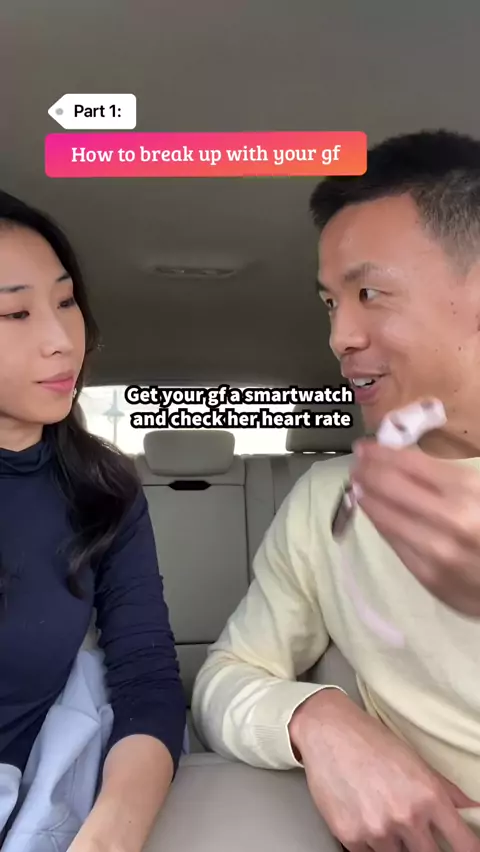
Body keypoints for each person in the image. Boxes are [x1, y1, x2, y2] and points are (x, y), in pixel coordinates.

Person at [192, 130, 480, 852]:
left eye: (369, 293)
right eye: (330, 303)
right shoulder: (331, 501)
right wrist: (317, 719)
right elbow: (225, 677)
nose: (339, 336)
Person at [0, 190, 186, 851]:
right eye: (15, 312)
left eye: (66, 301)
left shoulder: (104, 489)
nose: (61, 341)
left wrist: (109, 836)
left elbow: (147, 678)